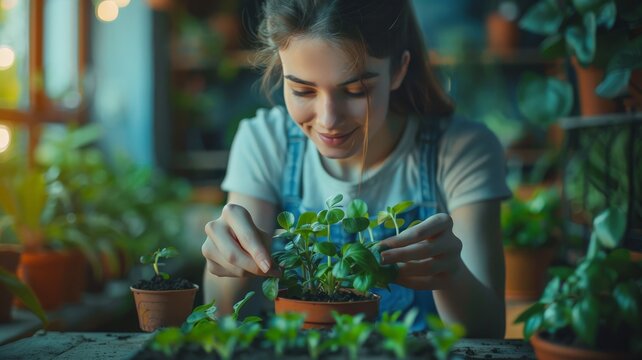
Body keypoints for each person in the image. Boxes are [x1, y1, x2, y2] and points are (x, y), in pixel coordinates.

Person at [202, 0, 511, 338]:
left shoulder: (462, 150)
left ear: (398, 70)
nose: (328, 120)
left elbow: (487, 332)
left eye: (355, 90)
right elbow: (226, 318)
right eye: (302, 90)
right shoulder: (264, 141)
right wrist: (227, 265)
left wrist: (452, 276)